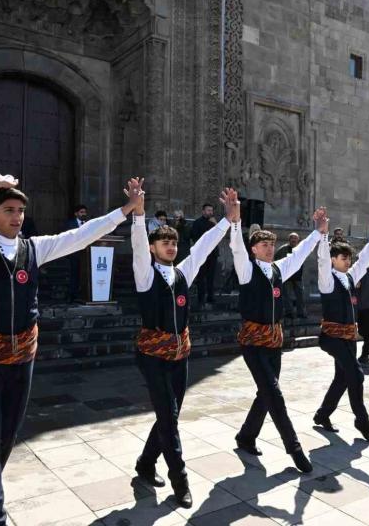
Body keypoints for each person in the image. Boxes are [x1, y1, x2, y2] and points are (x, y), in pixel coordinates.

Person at [0, 173, 141, 526]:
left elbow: (80, 236)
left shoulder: (34, 249)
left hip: (22, 358)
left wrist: (125, 210)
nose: (17, 217)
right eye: (9, 210)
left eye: (20, 211)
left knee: (6, 436)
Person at [130, 181, 237, 509]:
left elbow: (203, 247)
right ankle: (180, 481)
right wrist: (138, 215)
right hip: (152, 355)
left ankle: (145, 463)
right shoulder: (145, 274)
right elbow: (137, 245)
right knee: (168, 416)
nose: (171, 246)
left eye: (174, 242)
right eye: (164, 242)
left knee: (170, 416)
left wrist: (228, 220)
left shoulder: (182, 274)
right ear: (153, 248)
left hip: (180, 354)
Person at [229, 207, 327, 473]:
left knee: (266, 393)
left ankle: (246, 436)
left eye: (272, 244)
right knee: (275, 394)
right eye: (264, 245)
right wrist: (236, 224)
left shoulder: (278, 269)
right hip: (253, 341)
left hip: (275, 340)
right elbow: (236, 249)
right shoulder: (246, 269)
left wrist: (317, 232)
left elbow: (300, 254)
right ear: (253, 249)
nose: (270, 248)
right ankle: (294, 449)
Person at [313, 214, 369, 442]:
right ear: (333, 259)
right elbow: (322, 261)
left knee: (343, 378)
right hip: (332, 337)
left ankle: (322, 415)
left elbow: (364, 260)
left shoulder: (349, 277)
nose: (348, 262)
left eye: (349, 258)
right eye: (343, 258)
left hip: (348, 337)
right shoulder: (327, 280)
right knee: (356, 375)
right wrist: (323, 236)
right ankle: (362, 423)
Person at [191, 204, 219, 307]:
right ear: (203, 211)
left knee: (211, 277)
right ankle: (201, 299)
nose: (210, 212)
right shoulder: (197, 222)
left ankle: (211, 297)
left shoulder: (214, 223)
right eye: (208, 210)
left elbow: (220, 235)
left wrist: (216, 224)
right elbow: (194, 237)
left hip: (213, 253)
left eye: (211, 210)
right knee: (201, 277)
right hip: (202, 254)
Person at [275, 233, 307, 319]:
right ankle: (289, 313)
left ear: (298, 240)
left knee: (300, 295)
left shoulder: (300, 249)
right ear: (289, 239)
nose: (293, 240)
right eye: (292, 238)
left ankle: (301, 313)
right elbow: (276, 259)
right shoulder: (282, 249)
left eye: (295, 238)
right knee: (287, 295)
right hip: (287, 276)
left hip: (298, 276)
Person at [63, 204, 88, 301]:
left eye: (85, 212)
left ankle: (83, 294)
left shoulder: (88, 223)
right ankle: (71, 295)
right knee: (74, 274)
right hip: (74, 253)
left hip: (86, 254)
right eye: (81, 212)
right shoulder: (70, 224)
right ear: (76, 213)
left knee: (84, 275)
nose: (84, 214)